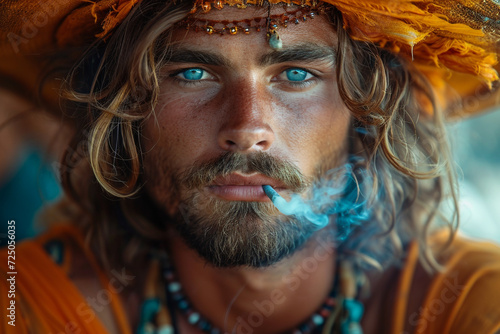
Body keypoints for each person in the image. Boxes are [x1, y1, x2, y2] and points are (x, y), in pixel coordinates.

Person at [1, 0, 500, 333]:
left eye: (297, 74)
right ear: (124, 115)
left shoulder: (472, 304)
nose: (247, 128)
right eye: (192, 73)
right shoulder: (25, 302)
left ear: (367, 111)